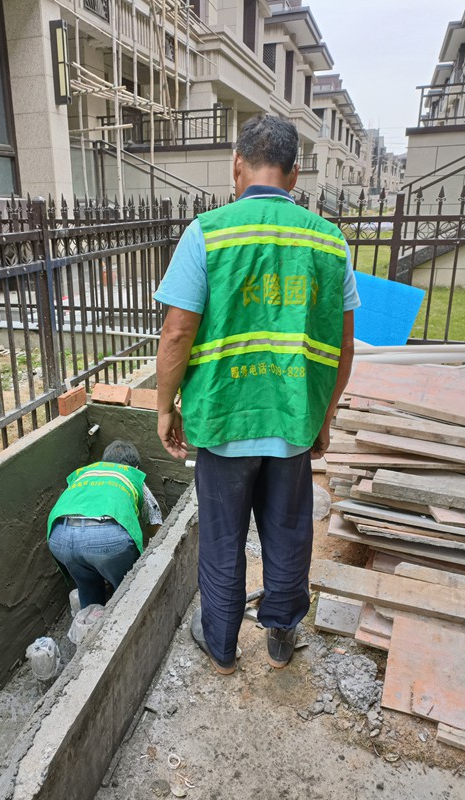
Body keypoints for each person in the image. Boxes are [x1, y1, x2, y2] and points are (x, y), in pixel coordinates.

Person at [154, 114, 359, 675]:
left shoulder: (208, 233)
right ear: (295, 175)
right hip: (293, 421)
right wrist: (325, 415)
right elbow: (343, 348)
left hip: (223, 420)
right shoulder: (329, 242)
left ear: (237, 166)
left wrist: (164, 405)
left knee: (222, 538)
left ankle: (220, 647)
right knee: (288, 530)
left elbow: (177, 332)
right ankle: (280, 636)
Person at [46, 440, 162, 609]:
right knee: (127, 591)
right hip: (107, 537)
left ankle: (89, 627)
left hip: (59, 537)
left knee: (87, 589)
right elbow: (154, 518)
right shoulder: (130, 474)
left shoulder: (83, 473)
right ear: (135, 467)